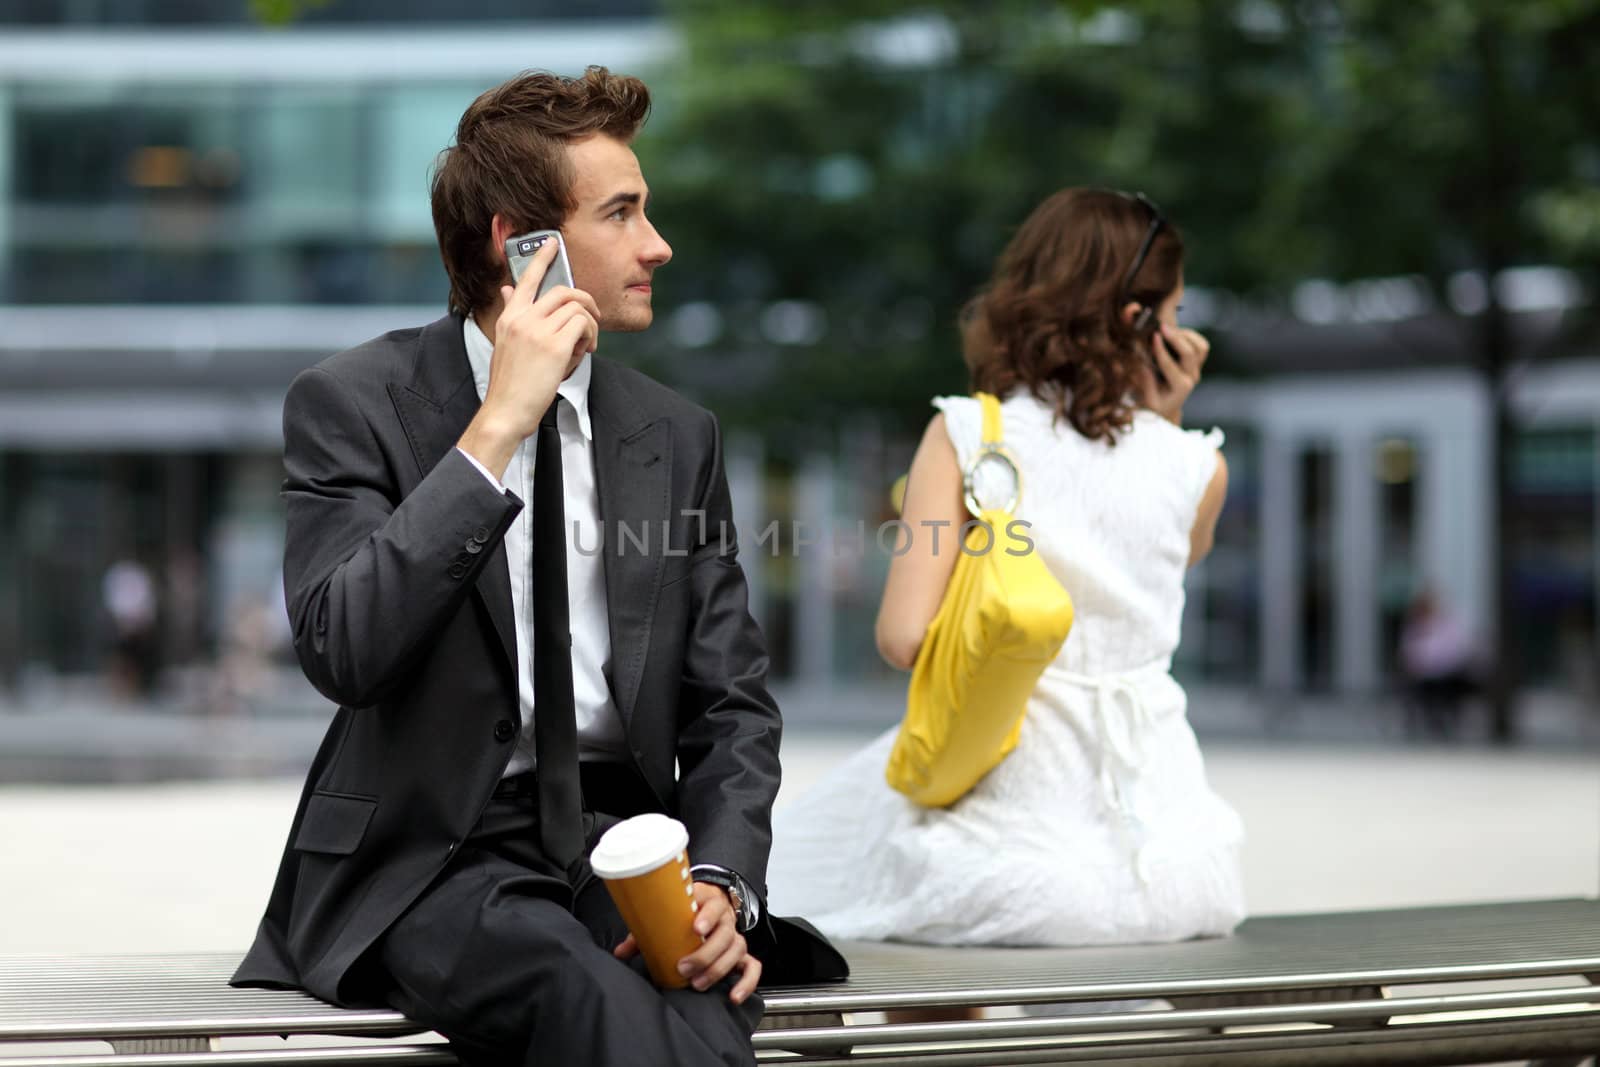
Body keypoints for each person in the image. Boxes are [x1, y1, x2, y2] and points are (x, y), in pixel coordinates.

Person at [232, 68, 795, 1067]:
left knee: (705, 1010)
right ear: (517, 243)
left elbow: (732, 706)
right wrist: (496, 428)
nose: (656, 244)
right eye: (621, 213)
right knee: (582, 992)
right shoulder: (353, 402)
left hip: (625, 851)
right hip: (428, 856)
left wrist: (721, 881)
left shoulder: (675, 434)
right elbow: (342, 646)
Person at [767, 188, 1245, 946]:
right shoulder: (1198, 465)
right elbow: (1172, 556)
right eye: (1177, 314)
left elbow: (901, 637)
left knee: (840, 866)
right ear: (1139, 321)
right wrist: (1167, 422)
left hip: (1017, 856)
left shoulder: (965, 434)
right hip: (1180, 864)